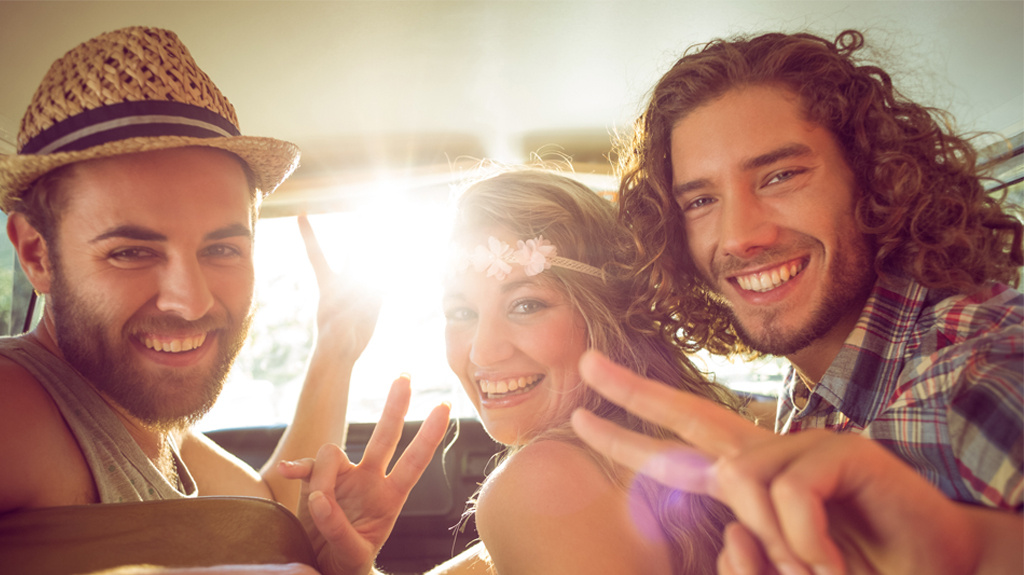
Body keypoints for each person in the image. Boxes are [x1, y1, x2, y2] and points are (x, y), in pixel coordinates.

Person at [0, 26, 450, 574]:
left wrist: (335, 349)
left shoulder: (156, 431)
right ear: (36, 254)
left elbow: (268, 517)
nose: (190, 301)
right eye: (131, 252)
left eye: (221, 249)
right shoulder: (16, 404)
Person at [570, 29, 1023, 573]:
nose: (738, 236)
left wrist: (974, 552)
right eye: (702, 200)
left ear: (876, 177)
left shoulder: (981, 367)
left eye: (780, 176)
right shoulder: (812, 383)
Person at [289, 168, 745, 574]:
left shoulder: (541, 483)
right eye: (462, 311)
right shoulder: (677, 444)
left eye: (526, 305)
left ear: (607, 314)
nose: (484, 352)